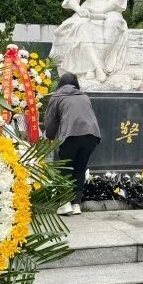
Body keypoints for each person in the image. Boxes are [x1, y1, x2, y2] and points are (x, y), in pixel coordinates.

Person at [44, 73, 101, 216]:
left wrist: (50, 136)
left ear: (60, 84)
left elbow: (51, 121)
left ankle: (64, 204)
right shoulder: (84, 96)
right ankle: (76, 204)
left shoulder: (57, 97)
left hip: (71, 135)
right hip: (92, 136)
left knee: (65, 168)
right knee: (80, 168)